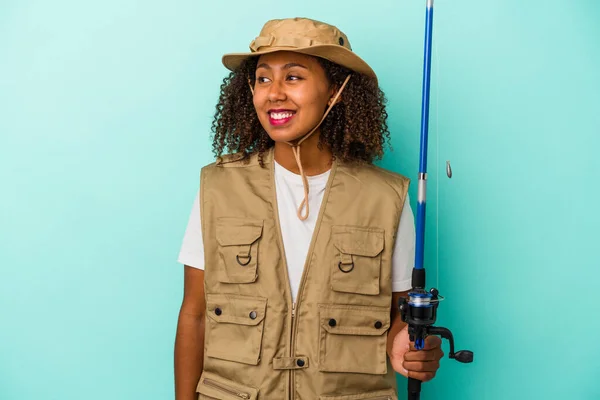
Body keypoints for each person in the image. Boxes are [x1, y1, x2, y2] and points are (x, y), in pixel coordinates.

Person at [174, 17, 444, 400]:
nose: (274, 93)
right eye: (263, 79)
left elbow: (397, 319)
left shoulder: (388, 198)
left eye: (294, 77)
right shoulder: (217, 187)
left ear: (336, 89)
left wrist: (408, 349)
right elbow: (195, 315)